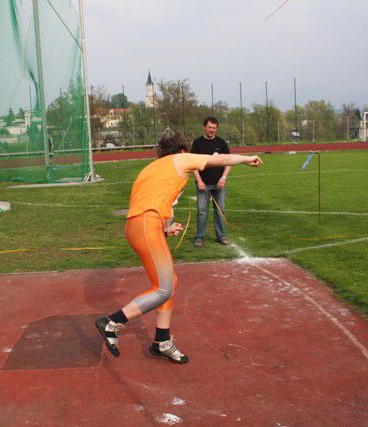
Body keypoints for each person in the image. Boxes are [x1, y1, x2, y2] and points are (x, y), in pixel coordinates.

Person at [95, 132, 262, 363]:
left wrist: (164, 230)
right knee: (164, 288)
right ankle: (112, 322)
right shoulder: (181, 159)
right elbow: (220, 159)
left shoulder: (151, 168)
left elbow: (148, 202)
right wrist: (246, 158)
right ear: (183, 150)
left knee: (169, 283)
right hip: (146, 225)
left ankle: (161, 341)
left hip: (137, 227)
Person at [191, 116, 231, 247]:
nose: (212, 130)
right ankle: (200, 237)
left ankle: (221, 236)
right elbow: (192, 164)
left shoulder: (221, 143)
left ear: (217, 129)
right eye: (209, 127)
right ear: (204, 127)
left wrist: (223, 178)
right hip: (203, 184)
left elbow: (229, 162)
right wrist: (199, 181)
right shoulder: (197, 143)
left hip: (219, 184)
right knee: (202, 211)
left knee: (220, 210)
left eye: (214, 128)